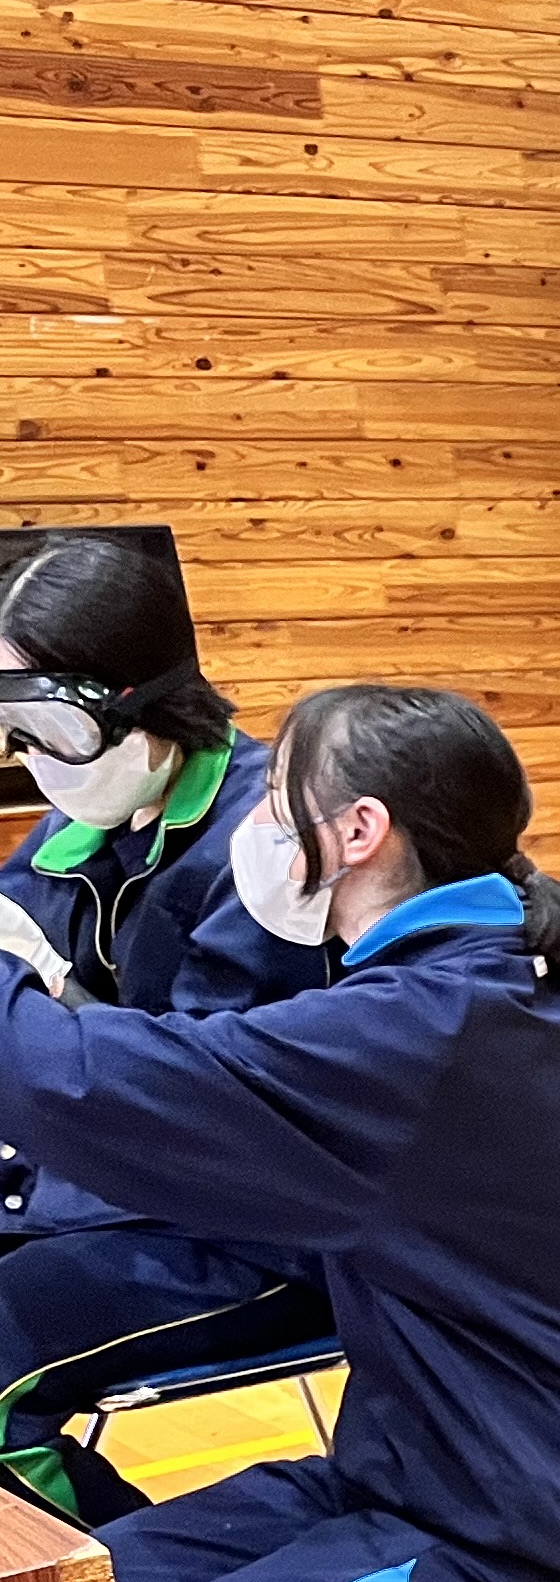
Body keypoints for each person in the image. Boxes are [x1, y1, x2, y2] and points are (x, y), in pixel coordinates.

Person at [0, 685, 560, 1582]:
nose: (260, 832)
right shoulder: (483, 944)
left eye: (278, 803)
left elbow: (92, 1089)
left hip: (529, 1534)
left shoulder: (430, 1026)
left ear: (359, 833)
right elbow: (215, 1060)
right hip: (398, 1477)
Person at [0, 529, 335, 1523]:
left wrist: (48, 1008)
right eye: (11, 730)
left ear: (145, 695)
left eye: (49, 727)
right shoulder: (80, 826)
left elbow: (184, 1111)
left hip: (262, 1230)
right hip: (108, 1188)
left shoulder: (270, 847)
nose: (33, 764)